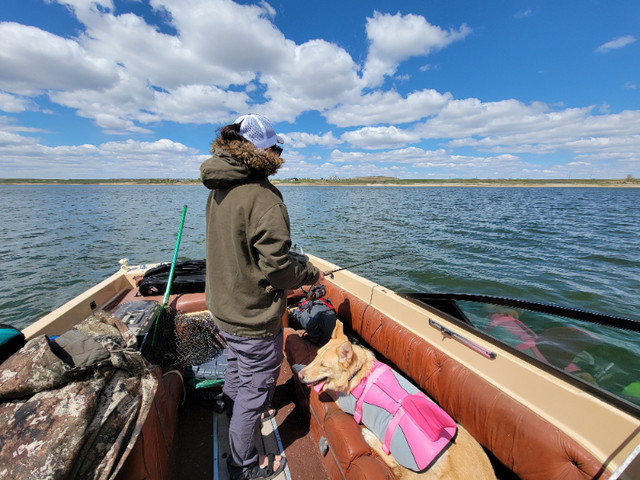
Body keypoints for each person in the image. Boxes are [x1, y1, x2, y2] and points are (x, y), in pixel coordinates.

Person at [200, 114, 324, 480]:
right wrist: (311, 272)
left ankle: (228, 404)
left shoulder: (219, 185)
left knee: (238, 365)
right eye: (276, 147)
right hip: (251, 316)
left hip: (223, 307)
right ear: (264, 150)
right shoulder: (265, 197)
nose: (278, 152)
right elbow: (280, 271)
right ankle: (243, 465)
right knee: (257, 386)